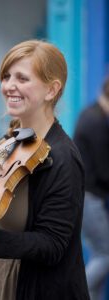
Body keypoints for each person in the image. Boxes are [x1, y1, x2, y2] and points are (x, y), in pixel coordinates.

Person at [0, 40, 90, 300]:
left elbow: (53, 246)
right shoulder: (10, 142)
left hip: (27, 287)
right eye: (6, 76)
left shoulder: (63, 157)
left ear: (51, 90)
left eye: (22, 78)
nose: (9, 86)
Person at [74, 78, 109, 300]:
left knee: (100, 252)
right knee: (106, 253)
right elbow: (105, 172)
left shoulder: (92, 112)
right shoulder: (96, 122)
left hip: (86, 196)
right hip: (89, 198)